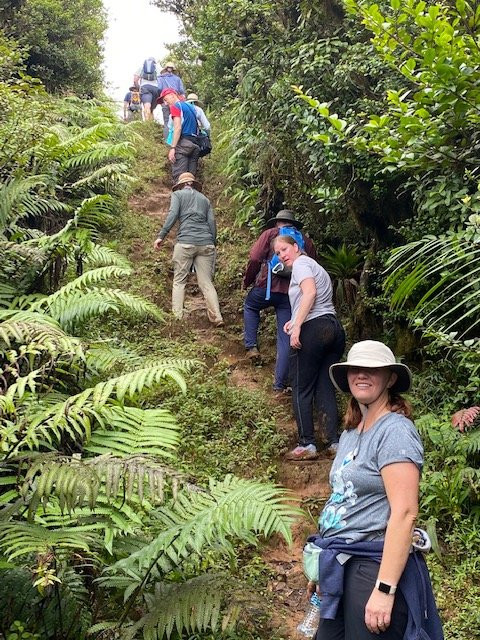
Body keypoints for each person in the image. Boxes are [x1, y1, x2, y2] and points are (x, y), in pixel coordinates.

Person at [304, 340, 443, 640]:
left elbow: (405, 512)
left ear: (390, 378)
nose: (362, 375)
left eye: (372, 369)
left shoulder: (395, 430)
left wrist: (384, 589)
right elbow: (342, 498)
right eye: (356, 368)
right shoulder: (352, 431)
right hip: (342, 564)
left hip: (372, 565)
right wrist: (323, 571)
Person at [273, 233, 345, 458]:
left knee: (300, 387)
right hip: (333, 329)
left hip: (314, 331)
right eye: (277, 253)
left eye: (284, 250)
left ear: (296, 247)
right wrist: (294, 321)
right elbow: (317, 300)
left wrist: (297, 327)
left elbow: (310, 293)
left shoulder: (301, 264)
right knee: (325, 386)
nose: (281, 256)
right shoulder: (316, 266)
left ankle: (307, 443)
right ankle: (333, 443)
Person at [243, 210, 316, 394]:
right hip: (290, 295)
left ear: (277, 223)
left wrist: (248, 280)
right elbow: (314, 266)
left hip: (265, 288)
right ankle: (279, 384)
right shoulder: (304, 241)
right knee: (285, 337)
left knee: (250, 306)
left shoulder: (270, 235)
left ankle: (251, 346)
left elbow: (254, 258)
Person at [153, 172, 223, 327]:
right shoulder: (204, 199)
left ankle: (177, 318)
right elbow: (211, 222)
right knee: (206, 283)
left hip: (185, 242)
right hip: (206, 244)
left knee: (179, 281)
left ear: (181, 184)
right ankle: (217, 317)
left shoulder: (178, 195)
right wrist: (212, 242)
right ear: (193, 184)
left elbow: (173, 214)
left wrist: (161, 236)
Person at [160, 88, 200, 182]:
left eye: (166, 100)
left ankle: (178, 196)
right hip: (195, 145)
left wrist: (173, 148)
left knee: (180, 179)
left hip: (183, 145)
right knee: (190, 180)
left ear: (172, 95)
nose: (165, 103)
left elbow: (177, 128)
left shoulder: (176, 107)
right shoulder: (190, 107)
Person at [158, 62, 186, 139]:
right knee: (178, 120)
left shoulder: (160, 78)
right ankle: (179, 139)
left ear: (165, 69)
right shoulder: (177, 79)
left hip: (165, 101)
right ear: (173, 69)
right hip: (176, 101)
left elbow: (159, 88)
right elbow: (181, 90)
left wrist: (161, 97)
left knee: (167, 121)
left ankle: (167, 141)